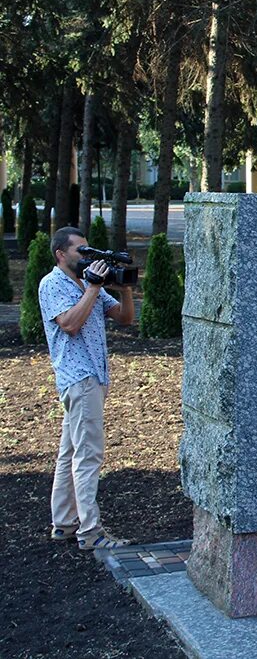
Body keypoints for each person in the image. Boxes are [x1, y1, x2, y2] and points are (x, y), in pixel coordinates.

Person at [39, 227, 135, 550]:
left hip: (92, 379)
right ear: (61, 254)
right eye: (80, 251)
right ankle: (90, 532)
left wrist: (125, 289)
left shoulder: (87, 283)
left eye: (88, 249)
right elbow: (69, 324)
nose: (87, 256)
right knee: (89, 455)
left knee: (70, 453)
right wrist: (93, 288)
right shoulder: (53, 284)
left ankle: (64, 523)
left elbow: (124, 318)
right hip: (79, 379)